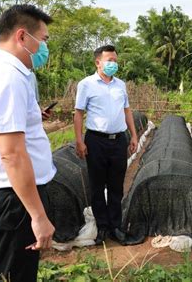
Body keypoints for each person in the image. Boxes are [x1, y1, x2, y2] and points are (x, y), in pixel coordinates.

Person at [0, 4, 56, 281]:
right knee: (12, 275)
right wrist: (38, 216)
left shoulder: (9, 74)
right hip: (11, 203)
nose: (44, 47)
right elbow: (12, 155)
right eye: (43, 39)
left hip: (11, 199)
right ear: (22, 37)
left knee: (13, 272)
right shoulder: (6, 78)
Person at [74, 45, 138, 246]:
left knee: (116, 185)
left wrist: (134, 136)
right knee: (97, 185)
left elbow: (127, 111)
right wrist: (79, 140)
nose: (113, 64)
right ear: (98, 62)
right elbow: (78, 113)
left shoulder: (121, 85)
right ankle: (102, 227)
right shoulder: (86, 84)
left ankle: (115, 227)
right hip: (96, 141)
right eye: (109, 60)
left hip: (119, 140)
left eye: (115, 60)